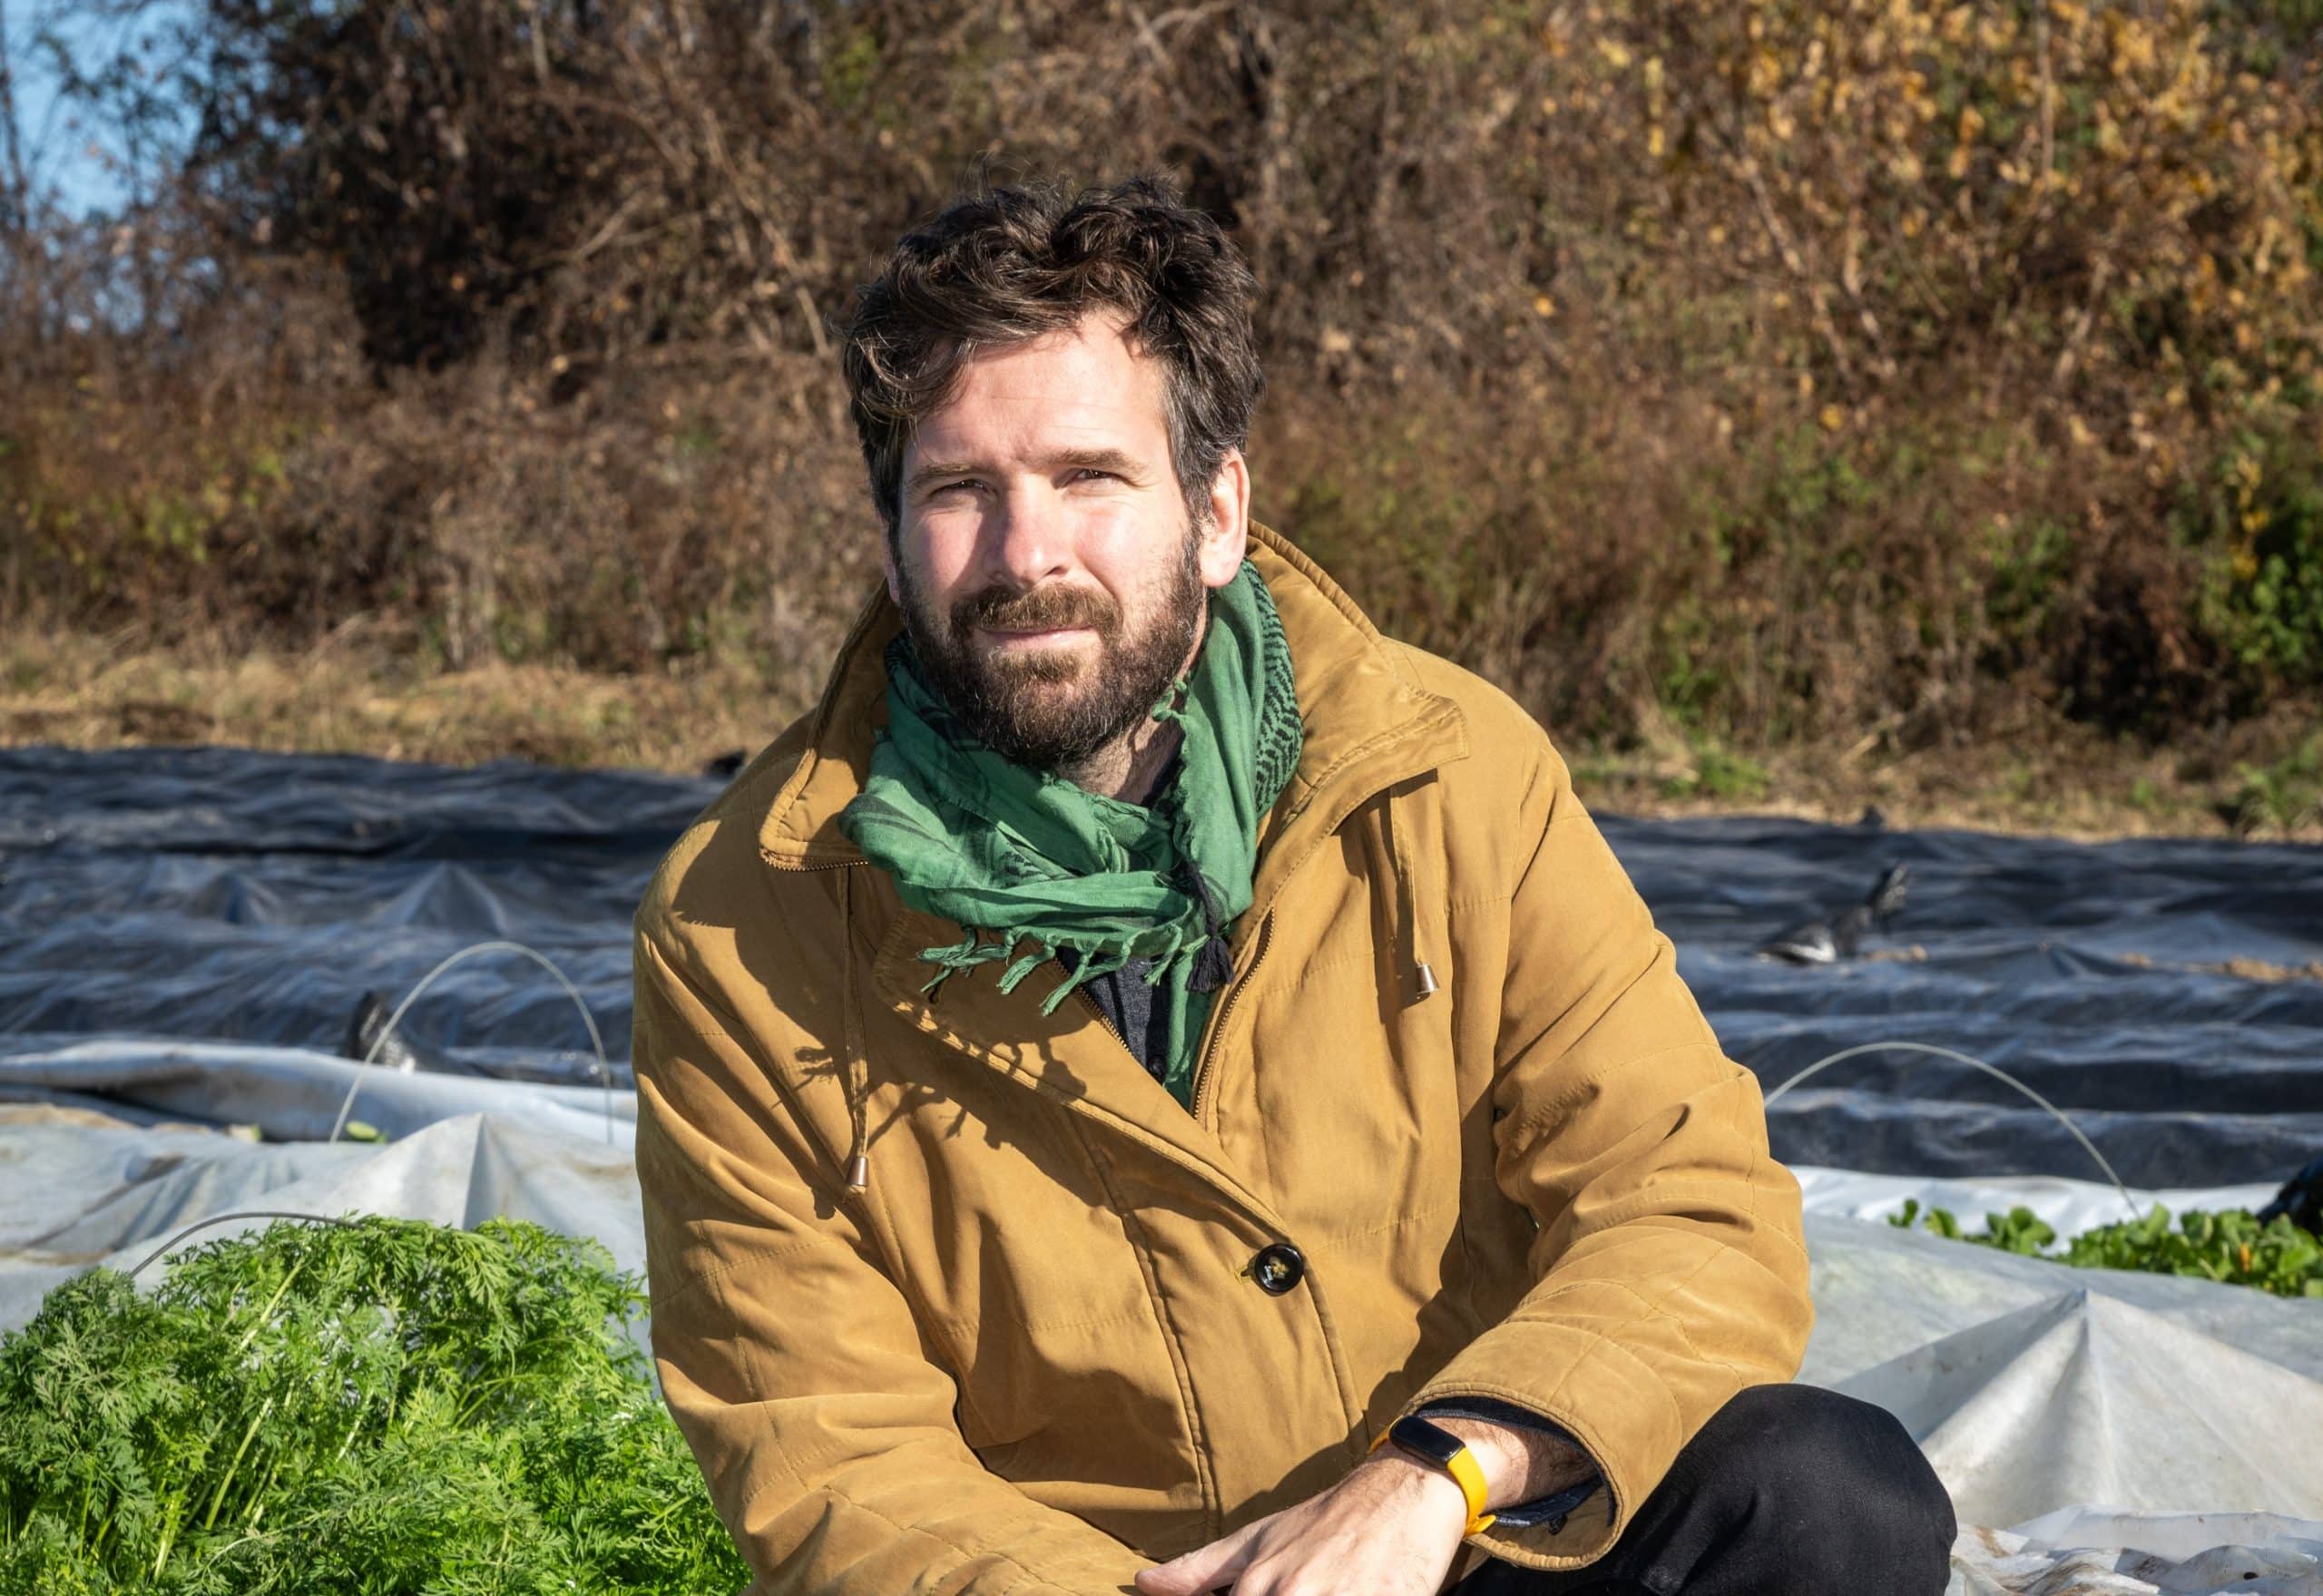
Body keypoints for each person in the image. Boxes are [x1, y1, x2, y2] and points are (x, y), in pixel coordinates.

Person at [631, 174, 1956, 1596]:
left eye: (1092, 477)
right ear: (894, 545)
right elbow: (835, 1463)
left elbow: (1687, 1203)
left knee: (1826, 1495)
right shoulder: (745, 925)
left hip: (1465, 1536)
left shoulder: (1449, 777)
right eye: (962, 492)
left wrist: (1443, 1471)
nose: (1029, 558)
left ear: (1216, 511)